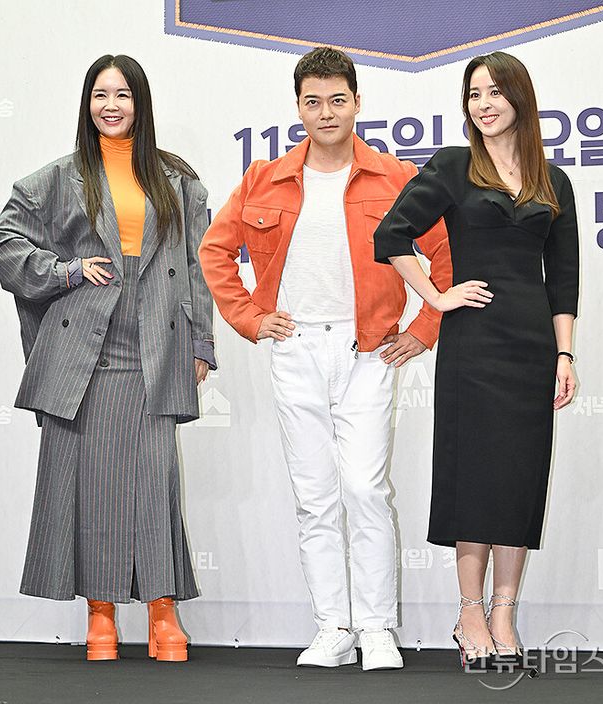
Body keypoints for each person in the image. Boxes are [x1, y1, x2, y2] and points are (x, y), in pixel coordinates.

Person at [199, 46, 451, 670]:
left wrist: (424, 326)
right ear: (298, 108)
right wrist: (251, 318)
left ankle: (377, 628)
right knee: (315, 497)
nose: (327, 112)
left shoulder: (396, 178)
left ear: (358, 102)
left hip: (369, 351)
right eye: (313, 102)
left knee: (365, 489)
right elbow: (214, 251)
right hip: (296, 348)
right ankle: (332, 626)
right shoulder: (265, 179)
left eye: (338, 100)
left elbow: (446, 254)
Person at [0, 54, 216, 662]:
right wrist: (64, 270)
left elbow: (197, 264)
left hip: (156, 344)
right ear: (87, 103)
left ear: (141, 103)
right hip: (85, 352)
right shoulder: (59, 178)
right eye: (100, 94)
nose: (111, 106)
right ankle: (101, 615)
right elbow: (4, 241)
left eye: (123, 94)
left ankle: (164, 612)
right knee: (89, 487)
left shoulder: (179, 180)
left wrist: (201, 343)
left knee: (155, 483)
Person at [373, 51, 579, 668]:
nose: (483, 104)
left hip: (531, 347)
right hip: (473, 346)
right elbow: (391, 234)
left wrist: (565, 353)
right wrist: (436, 297)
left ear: (520, 97)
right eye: (473, 94)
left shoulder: (553, 181)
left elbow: (564, 278)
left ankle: (504, 614)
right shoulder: (454, 166)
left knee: (518, 479)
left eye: (494, 92)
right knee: (474, 479)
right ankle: (469, 613)